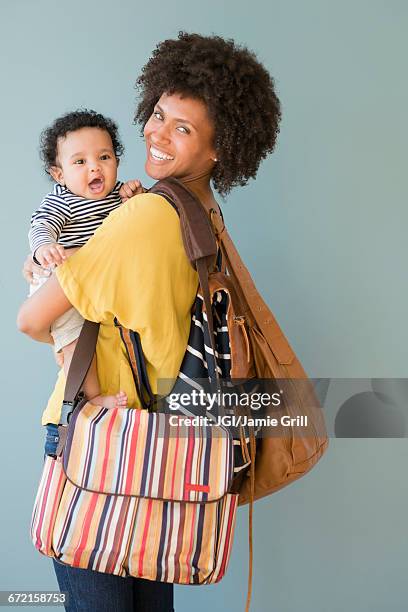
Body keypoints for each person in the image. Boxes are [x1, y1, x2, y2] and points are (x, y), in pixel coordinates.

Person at [18, 32, 281, 612]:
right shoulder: (204, 217)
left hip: (102, 436)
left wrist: (48, 278)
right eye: (158, 114)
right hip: (162, 447)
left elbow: (31, 318)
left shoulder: (142, 216)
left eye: (182, 128)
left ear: (220, 149)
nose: (157, 134)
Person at [29, 109, 144, 409]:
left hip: (93, 280)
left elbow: (132, 224)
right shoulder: (62, 199)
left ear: (117, 161)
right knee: (75, 341)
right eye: (80, 162)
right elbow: (42, 225)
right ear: (59, 174)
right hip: (60, 276)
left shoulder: (117, 195)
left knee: (86, 337)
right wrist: (44, 248)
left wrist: (135, 194)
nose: (94, 168)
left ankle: (66, 355)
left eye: (104, 158)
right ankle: (93, 398)